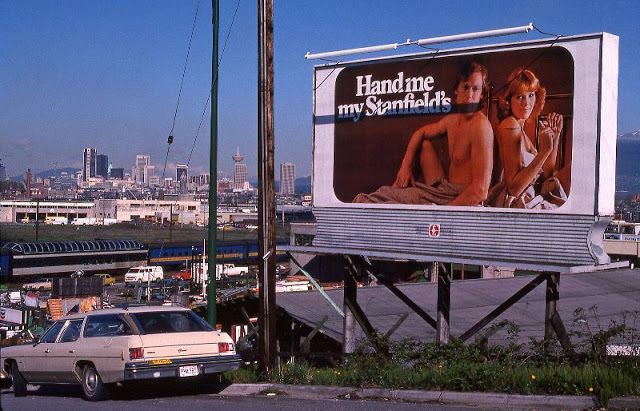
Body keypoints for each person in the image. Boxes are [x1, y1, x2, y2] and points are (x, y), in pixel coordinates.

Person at [354, 61, 494, 206]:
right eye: (465, 87)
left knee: (376, 200)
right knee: (382, 194)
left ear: (481, 94)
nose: (470, 95)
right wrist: (405, 166)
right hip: (443, 191)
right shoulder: (452, 119)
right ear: (456, 89)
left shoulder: (481, 127)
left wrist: (442, 213)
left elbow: (480, 191)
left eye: (475, 89)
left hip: (462, 199)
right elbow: (420, 133)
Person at [494, 68, 566, 209]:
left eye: (531, 95)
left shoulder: (521, 128)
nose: (527, 103)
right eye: (520, 96)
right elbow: (514, 190)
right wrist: (545, 151)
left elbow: (547, 175)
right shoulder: (510, 125)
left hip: (532, 194)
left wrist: (555, 139)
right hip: (516, 202)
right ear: (508, 100)